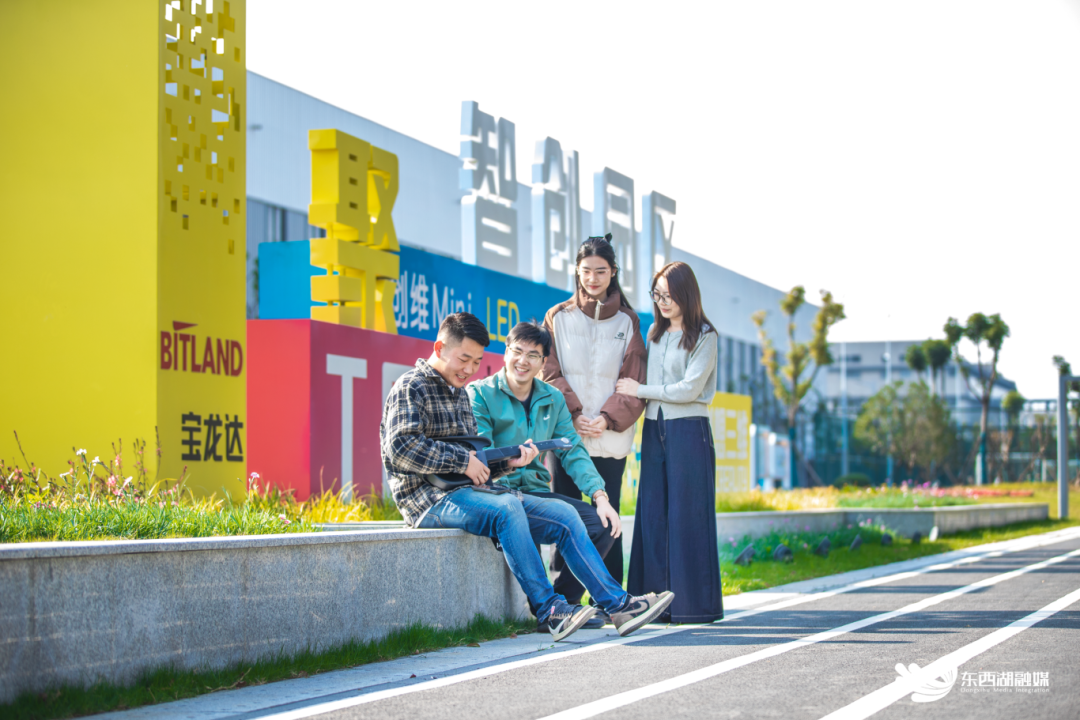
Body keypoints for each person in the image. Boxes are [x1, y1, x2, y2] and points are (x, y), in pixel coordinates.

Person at [380, 311, 674, 641]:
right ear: (439, 348)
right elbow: (400, 447)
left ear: (543, 362)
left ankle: (619, 605)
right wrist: (464, 461)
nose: (469, 369)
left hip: (471, 491)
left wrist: (508, 463)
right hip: (428, 500)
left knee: (565, 514)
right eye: (464, 359)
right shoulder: (413, 386)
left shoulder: (459, 392)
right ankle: (550, 610)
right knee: (507, 507)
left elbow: (479, 461)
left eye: (476, 362)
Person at [468, 321, 622, 629]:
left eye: (533, 355)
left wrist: (600, 496)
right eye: (517, 351)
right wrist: (510, 461)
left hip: (536, 492)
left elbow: (572, 450)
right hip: (499, 493)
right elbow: (481, 452)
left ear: (543, 362)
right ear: (505, 353)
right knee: (556, 517)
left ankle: (565, 604)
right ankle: (562, 609)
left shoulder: (553, 397)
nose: (523, 361)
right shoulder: (480, 393)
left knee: (603, 524)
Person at [616, 261, 723, 624]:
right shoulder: (654, 333)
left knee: (688, 516)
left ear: (686, 294)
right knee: (652, 514)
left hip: (689, 430)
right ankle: (652, 604)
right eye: (657, 294)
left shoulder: (705, 335)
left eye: (669, 295)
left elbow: (690, 388)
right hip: (654, 429)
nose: (662, 302)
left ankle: (695, 606)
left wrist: (641, 390)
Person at [542, 235, 647, 587]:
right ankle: (564, 598)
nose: (592, 278)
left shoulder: (628, 322)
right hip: (566, 436)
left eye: (601, 271)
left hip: (610, 437)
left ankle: (611, 595)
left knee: (608, 514)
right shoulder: (557, 317)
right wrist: (573, 415)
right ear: (576, 270)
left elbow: (634, 379)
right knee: (565, 514)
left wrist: (606, 418)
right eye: (586, 271)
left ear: (613, 272)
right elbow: (548, 372)